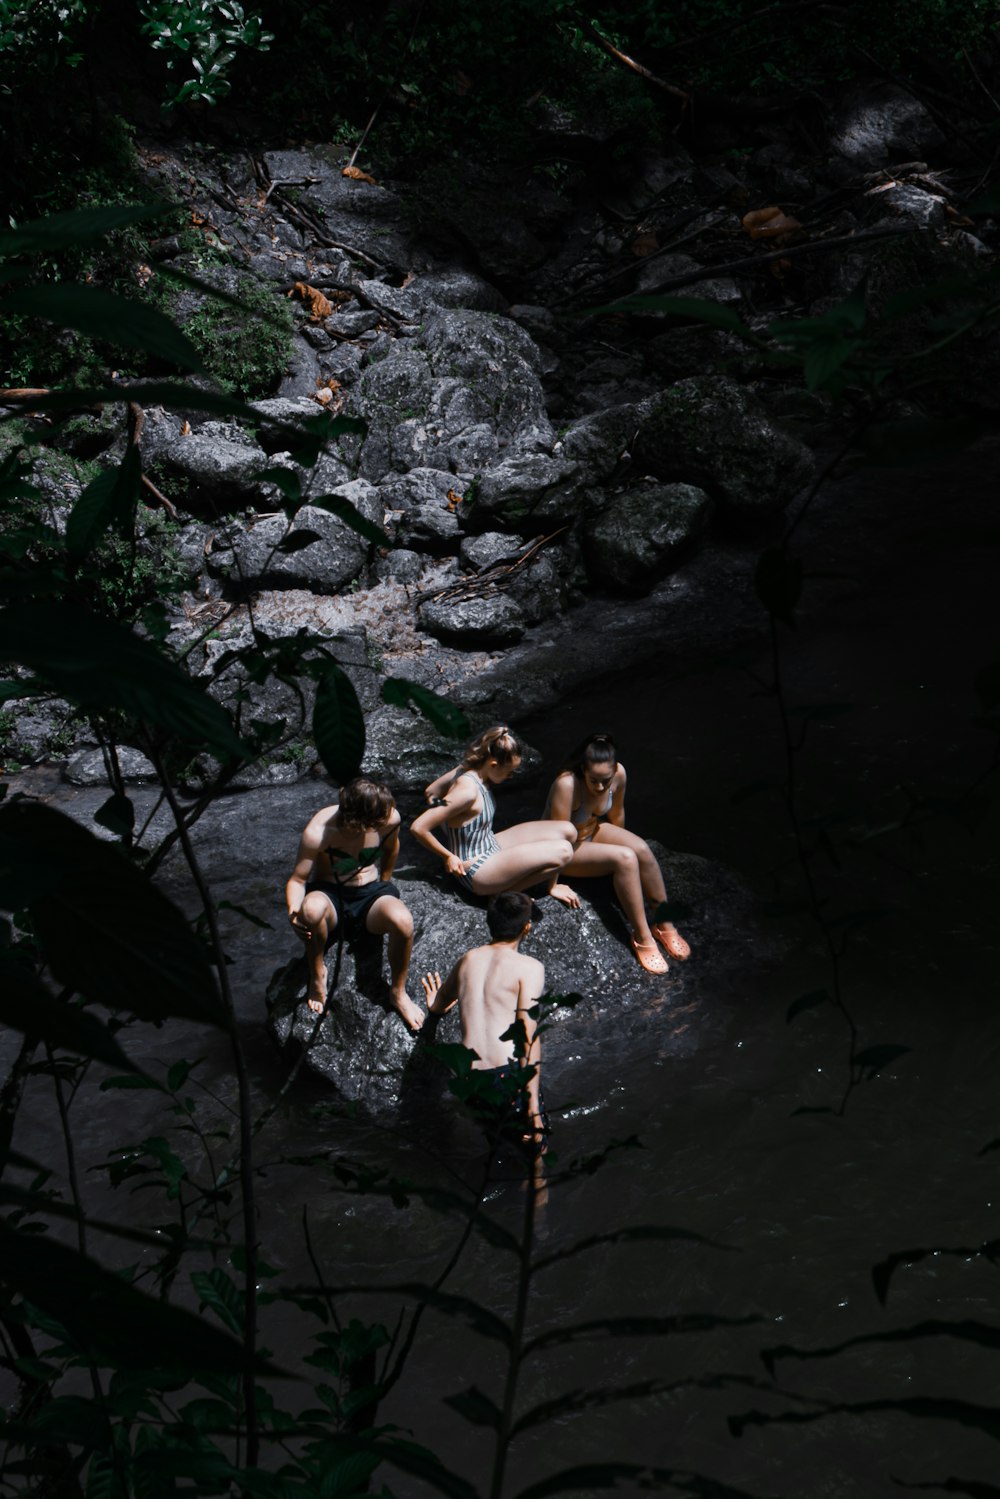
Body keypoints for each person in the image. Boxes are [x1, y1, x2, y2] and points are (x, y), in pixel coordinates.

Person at [544, 731, 691, 976]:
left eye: (606, 780)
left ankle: (664, 924)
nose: (601, 787)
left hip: (592, 830)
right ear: (583, 769)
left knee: (641, 850)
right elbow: (556, 838)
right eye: (594, 781)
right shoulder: (566, 784)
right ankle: (643, 937)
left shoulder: (619, 773)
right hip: (566, 848)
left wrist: (622, 844)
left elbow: (617, 813)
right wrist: (552, 884)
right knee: (625, 859)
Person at [285, 776, 424, 1031]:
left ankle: (398, 992)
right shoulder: (319, 831)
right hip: (331, 895)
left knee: (403, 922)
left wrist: (384, 882)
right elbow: (297, 879)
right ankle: (317, 976)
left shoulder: (388, 818)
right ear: (354, 819)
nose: (383, 822)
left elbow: (392, 847)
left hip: (370, 894)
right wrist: (294, 913)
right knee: (310, 910)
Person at [421, 891, 546, 1143]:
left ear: (489, 923)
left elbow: (440, 1002)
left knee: (498, 1139)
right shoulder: (530, 968)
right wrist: (533, 1111)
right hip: (505, 1075)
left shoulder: (469, 959)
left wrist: (434, 1005)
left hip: (469, 1079)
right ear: (527, 928)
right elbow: (527, 1035)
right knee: (535, 1147)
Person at [411, 725, 577, 897]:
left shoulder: (466, 768)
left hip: (489, 843)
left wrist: (448, 819)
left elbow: (431, 793)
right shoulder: (467, 792)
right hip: (476, 869)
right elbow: (419, 827)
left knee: (568, 830)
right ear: (493, 764)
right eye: (509, 772)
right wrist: (448, 856)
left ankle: (552, 886)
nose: (510, 777)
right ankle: (505, 896)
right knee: (565, 851)